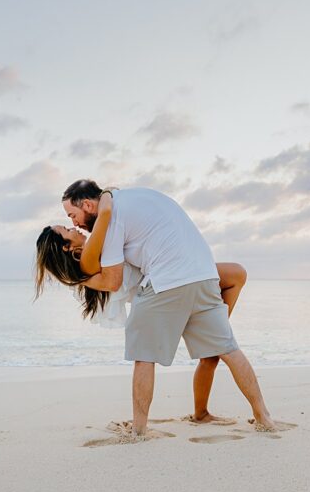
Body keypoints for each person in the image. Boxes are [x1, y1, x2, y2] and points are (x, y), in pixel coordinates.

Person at [41, 179, 276, 437]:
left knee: (144, 357)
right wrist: (107, 196)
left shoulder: (109, 221)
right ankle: (264, 417)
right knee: (230, 350)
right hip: (204, 273)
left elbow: (112, 280)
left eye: (72, 216)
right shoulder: (129, 197)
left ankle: (139, 431)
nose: (73, 223)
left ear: (87, 204)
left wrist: (76, 278)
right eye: (68, 223)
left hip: (167, 281)